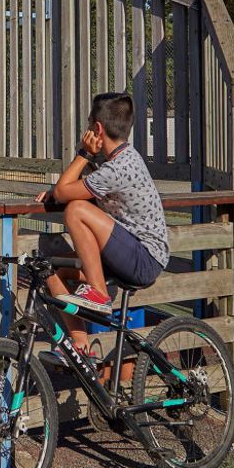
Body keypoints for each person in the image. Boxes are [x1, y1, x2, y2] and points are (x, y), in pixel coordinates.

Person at [35, 92, 169, 377]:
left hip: (144, 258)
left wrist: (83, 154)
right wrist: (61, 190)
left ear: (96, 129)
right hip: (128, 252)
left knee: (75, 210)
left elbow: (64, 192)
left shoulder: (119, 167)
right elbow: (68, 188)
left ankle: (99, 297)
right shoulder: (119, 161)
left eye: (88, 125)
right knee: (52, 271)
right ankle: (80, 348)